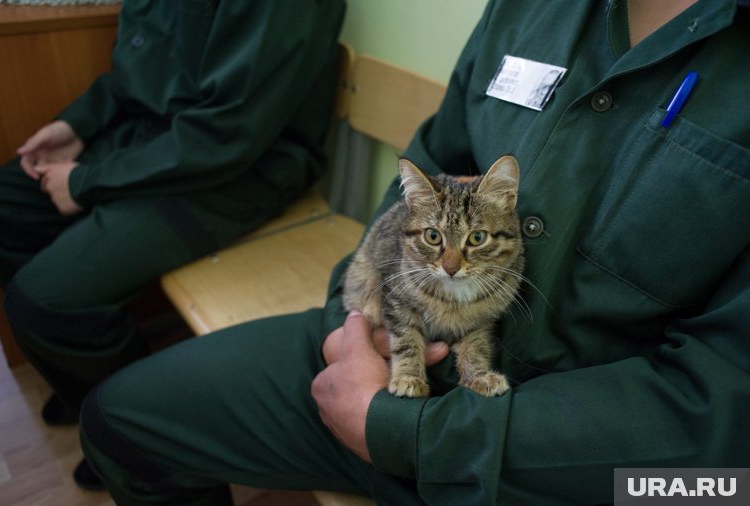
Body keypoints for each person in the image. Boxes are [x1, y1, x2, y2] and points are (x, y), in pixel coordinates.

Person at [79, 0, 750, 504]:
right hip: (398, 348)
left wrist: (416, 438)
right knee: (117, 420)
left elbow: (723, 439)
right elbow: (431, 167)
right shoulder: (528, 9)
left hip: (587, 469)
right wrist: (352, 321)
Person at [0, 0, 345, 489]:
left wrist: (89, 180)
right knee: (1, 206)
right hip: (159, 139)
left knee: (41, 301)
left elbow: (229, 132)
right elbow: (136, 69)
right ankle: (94, 390)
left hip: (238, 170)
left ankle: (136, 434)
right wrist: (79, 124)